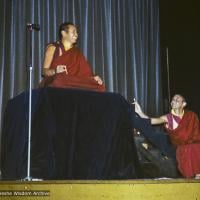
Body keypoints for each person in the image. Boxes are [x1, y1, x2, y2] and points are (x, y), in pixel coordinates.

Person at [133, 94, 200, 179]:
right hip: (176, 147)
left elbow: (196, 134)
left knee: (195, 147)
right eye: (173, 100)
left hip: (193, 144)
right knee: (188, 149)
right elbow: (150, 121)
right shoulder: (168, 118)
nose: (174, 101)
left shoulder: (191, 116)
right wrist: (140, 112)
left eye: (177, 99)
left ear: (183, 104)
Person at [39, 22, 105, 92]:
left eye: (76, 32)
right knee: (58, 79)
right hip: (60, 79)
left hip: (72, 81)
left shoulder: (77, 52)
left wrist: (94, 78)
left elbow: (86, 72)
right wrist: (55, 71)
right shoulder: (53, 48)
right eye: (73, 32)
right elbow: (44, 71)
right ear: (63, 33)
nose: (76, 35)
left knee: (99, 84)